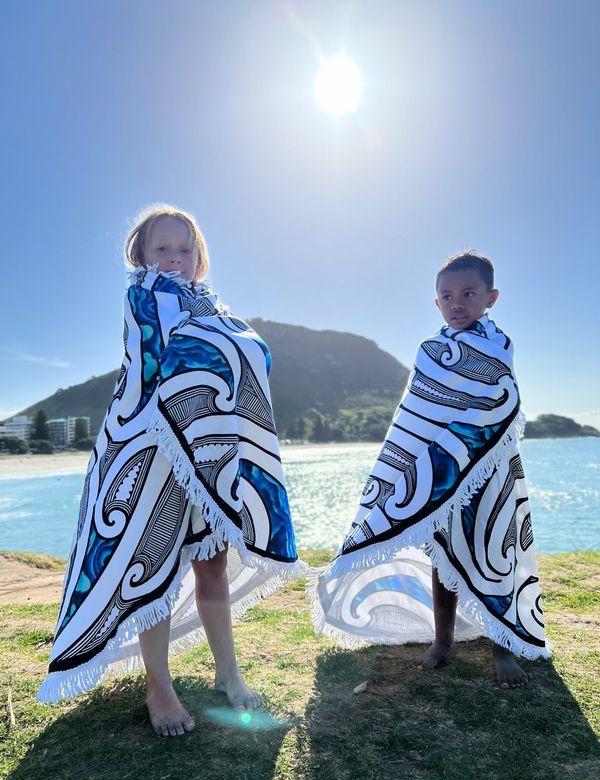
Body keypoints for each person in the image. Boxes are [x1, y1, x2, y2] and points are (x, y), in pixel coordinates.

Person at [38, 205, 302, 735]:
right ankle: (159, 687)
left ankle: (229, 673)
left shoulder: (209, 303)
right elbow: (172, 354)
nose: (175, 257)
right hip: (145, 452)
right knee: (151, 571)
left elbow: (240, 355)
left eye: (185, 248)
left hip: (202, 455)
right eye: (164, 248)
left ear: (199, 256)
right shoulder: (143, 294)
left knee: (212, 563)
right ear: (142, 254)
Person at [309, 251, 550, 688]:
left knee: (496, 552)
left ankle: (503, 647)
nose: (457, 302)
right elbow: (415, 418)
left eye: (468, 293)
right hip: (440, 475)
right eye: (447, 295)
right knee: (444, 556)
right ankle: (443, 642)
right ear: (436, 302)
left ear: (491, 297)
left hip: (492, 471)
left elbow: (501, 403)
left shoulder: (499, 346)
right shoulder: (430, 352)